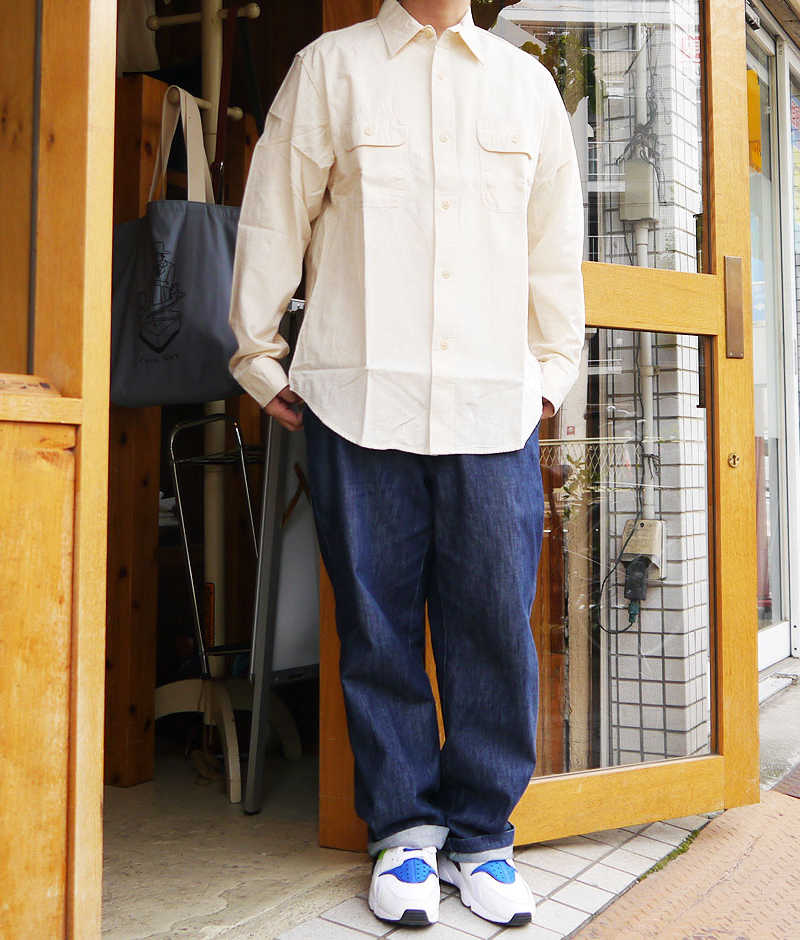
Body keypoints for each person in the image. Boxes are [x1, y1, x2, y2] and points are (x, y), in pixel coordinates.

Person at [228, 0, 584, 927]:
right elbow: (274, 213)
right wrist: (259, 357)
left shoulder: (525, 86)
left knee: (494, 626)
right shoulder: (330, 68)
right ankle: (404, 834)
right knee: (377, 629)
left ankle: (484, 838)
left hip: (493, 408)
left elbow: (553, 247)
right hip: (358, 400)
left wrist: (551, 376)